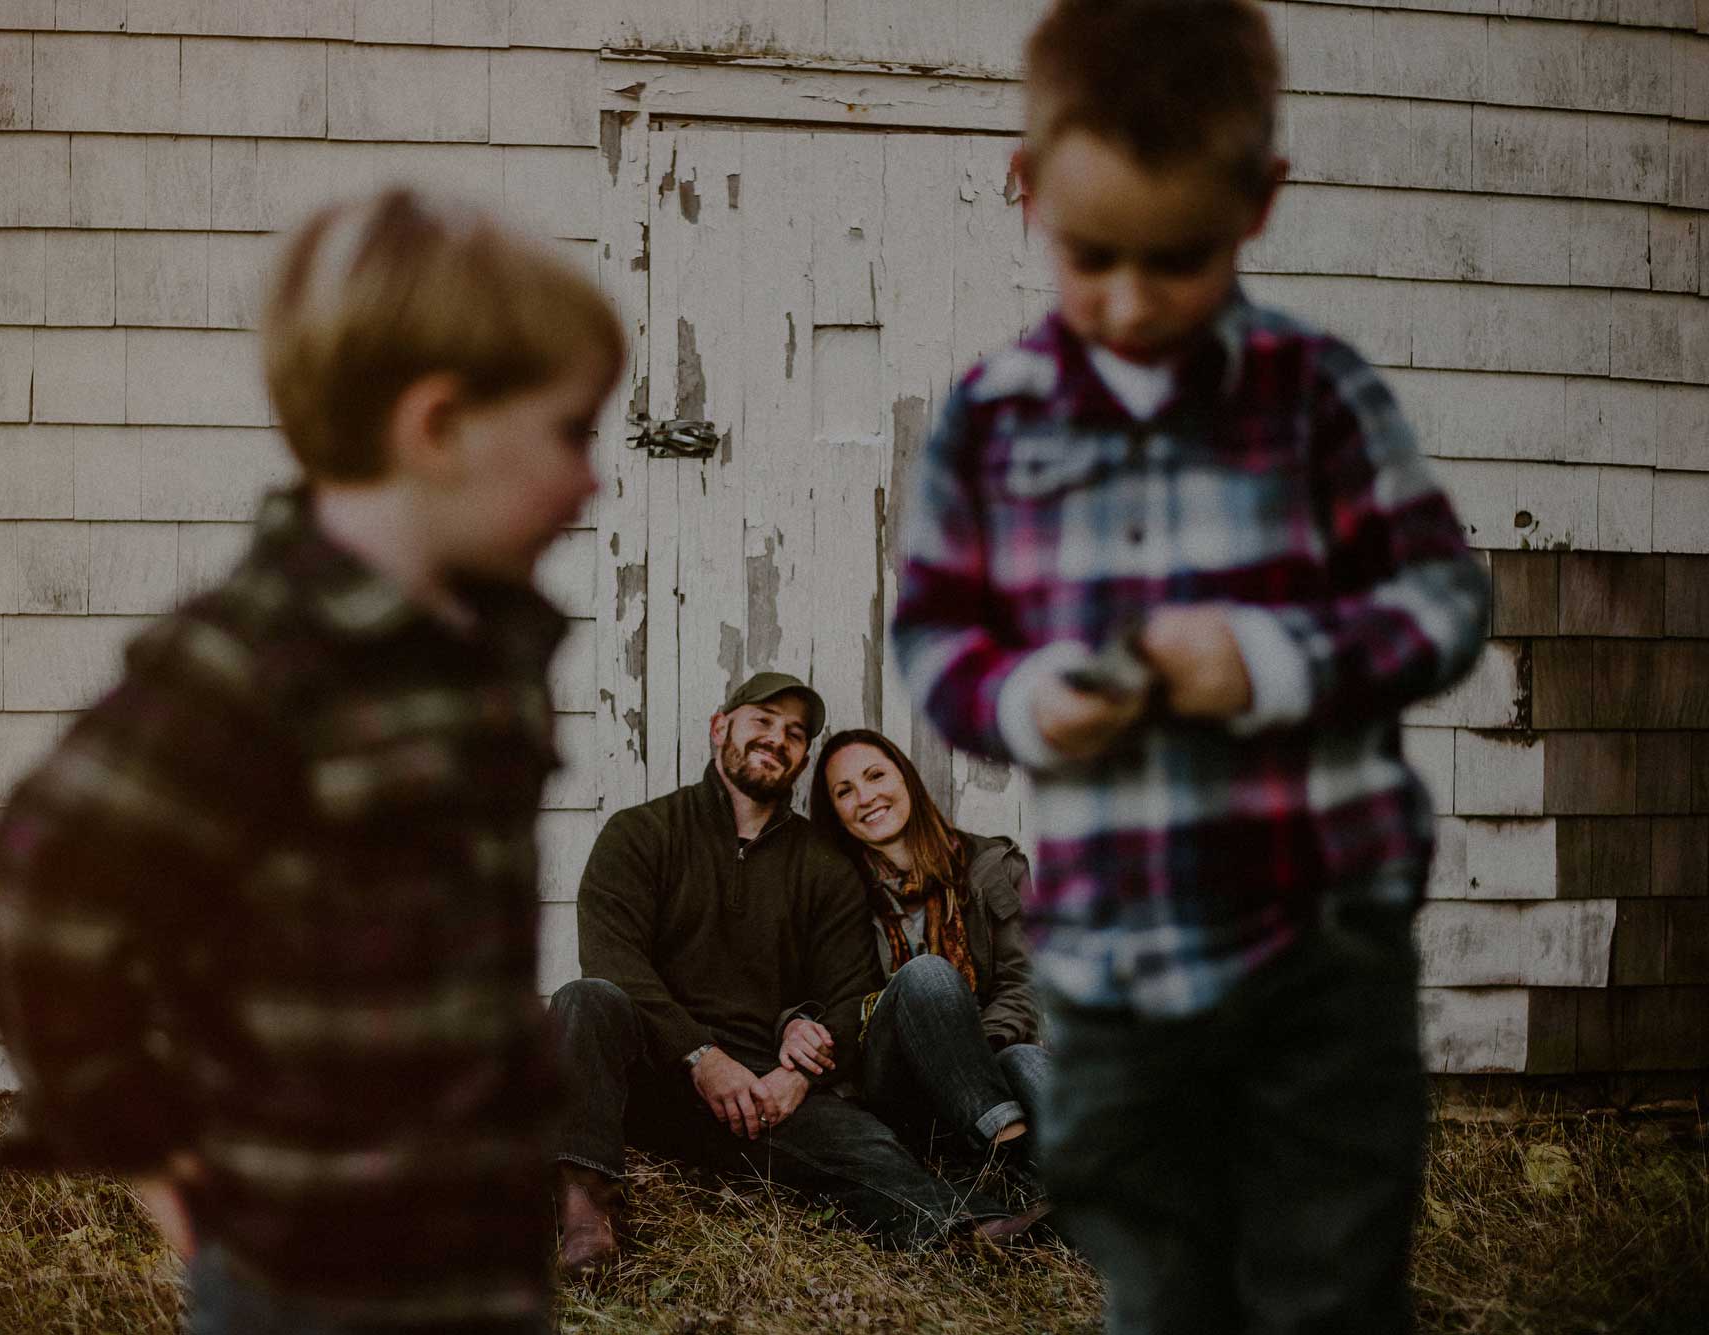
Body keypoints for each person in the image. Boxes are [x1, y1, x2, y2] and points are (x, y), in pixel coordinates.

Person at [890, 2, 1491, 1331]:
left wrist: (1277, 658)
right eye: (1092, 254)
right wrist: (1026, 697)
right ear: (1032, 186)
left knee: (1326, 1281)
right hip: (1117, 964)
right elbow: (937, 640)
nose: (1129, 298)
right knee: (1160, 1281)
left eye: (1181, 258)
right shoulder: (994, 423)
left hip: (1319, 955)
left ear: (1259, 200)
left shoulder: (1320, 396)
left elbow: (1444, 598)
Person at [0, 186, 624, 1335]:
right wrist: (136, 1133)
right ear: (436, 427)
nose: (594, 478)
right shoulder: (246, 661)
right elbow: (46, 878)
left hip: (476, 1236)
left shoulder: (491, 645)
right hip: (304, 1264)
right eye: (573, 432)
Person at [550, 674, 1047, 1275]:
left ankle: (971, 1226)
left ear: (801, 758)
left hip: (766, 1095)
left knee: (865, 1146)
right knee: (584, 998)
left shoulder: (824, 864)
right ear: (720, 727)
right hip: (655, 1076)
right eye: (761, 720)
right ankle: (585, 1211)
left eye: (793, 733)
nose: (776, 739)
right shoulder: (642, 833)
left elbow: (851, 990)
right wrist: (701, 1056)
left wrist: (795, 1074)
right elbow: (612, 959)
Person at [809, 729, 1051, 1187]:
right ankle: (1009, 1153)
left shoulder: (992, 866)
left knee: (1026, 1060)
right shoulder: (835, 892)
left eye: (875, 775)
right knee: (925, 976)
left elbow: (1023, 984)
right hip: (896, 1085)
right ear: (835, 814)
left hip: (990, 1059)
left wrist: (969, 1055)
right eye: (845, 791)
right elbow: (819, 995)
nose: (866, 797)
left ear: (906, 779)